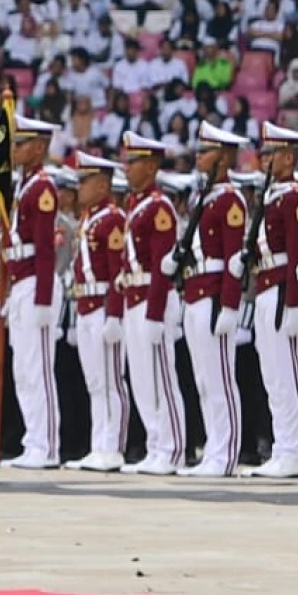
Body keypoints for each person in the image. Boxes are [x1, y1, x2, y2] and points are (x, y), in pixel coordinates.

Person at [172, 120, 248, 477]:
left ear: (224, 157)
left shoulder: (230, 200)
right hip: (195, 290)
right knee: (204, 378)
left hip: (215, 294)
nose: (198, 157)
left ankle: (225, 453)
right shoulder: (204, 197)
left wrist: (231, 306)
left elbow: (235, 259)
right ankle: (213, 449)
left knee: (219, 377)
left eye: (206, 151)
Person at [238, 122, 298, 479]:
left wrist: (296, 304)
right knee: (272, 374)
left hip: (285, 288)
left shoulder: (294, 197)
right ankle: (283, 445)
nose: (263, 159)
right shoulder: (272, 196)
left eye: (270, 153)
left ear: (287, 157)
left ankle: (295, 449)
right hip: (266, 284)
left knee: (288, 372)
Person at [118, 132, 185, 475]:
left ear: (152, 166)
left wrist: (156, 312)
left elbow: (163, 264)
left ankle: (172, 449)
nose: (127, 169)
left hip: (151, 300)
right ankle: (155, 444)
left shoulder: (160, 207)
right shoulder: (135, 206)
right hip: (133, 297)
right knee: (142, 378)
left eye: (134, 162)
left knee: (161, 377)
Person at [61, 155, 128, 472]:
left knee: (110, 380)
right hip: (86, 306)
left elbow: (118, 272)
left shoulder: (113, 219)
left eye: (85, 182)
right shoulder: (89, 219)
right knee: (94, 382)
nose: (79, 189)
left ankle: (112, 445)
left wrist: (115, 314)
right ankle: (98, 444)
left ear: (103, 185)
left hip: (103, 305)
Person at [5, 114, 62, 469]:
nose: (15, 149)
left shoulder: (42, 188)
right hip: (20, 280)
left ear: (39, 148)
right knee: (23, 369)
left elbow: (45, 247)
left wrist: (42, 298)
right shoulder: (25, 185)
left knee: (38, 368)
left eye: (22, 143)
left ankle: (46, 446)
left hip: (35, 282)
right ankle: (33, 441)